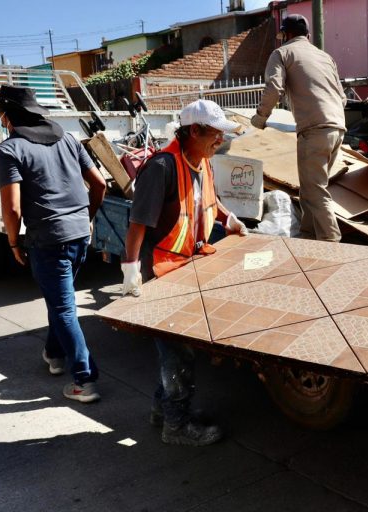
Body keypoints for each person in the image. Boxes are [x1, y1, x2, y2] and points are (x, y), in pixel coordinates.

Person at [122, 99, 248, 446]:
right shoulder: (161, 167)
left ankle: (163, 410)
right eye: (215, 135)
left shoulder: (201, 162)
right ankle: (175, 427)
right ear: (194, 131)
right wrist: (130, 270)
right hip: (161, 273)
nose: (219, 141)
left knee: (175, 350)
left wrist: (227, 219)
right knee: (178, 353)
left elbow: (207, 199)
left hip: (186, 266)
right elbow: (137, 224)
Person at [0, 85, 106, 402]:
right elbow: (98, 184)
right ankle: (54, 354)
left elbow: (12, 208)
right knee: (61, 299)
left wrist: (14, 242)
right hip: (80, 234)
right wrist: (88, 217)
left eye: (1, 114)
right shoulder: (69, 140)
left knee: (63, 308)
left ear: (9, 116)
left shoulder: (9, 150)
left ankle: (84, 380)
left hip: (47, 240)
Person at [251, 14, 347, 242]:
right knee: (310, 189)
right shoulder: (325, 57)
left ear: (286, 34)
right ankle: (307, 235)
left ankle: (332, 243)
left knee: (315, 191)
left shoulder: (282, 53)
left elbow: (274, 88)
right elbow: (342, 97)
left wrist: (260, 118)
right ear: (308, 36)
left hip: (314, 130)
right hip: (338, 128)